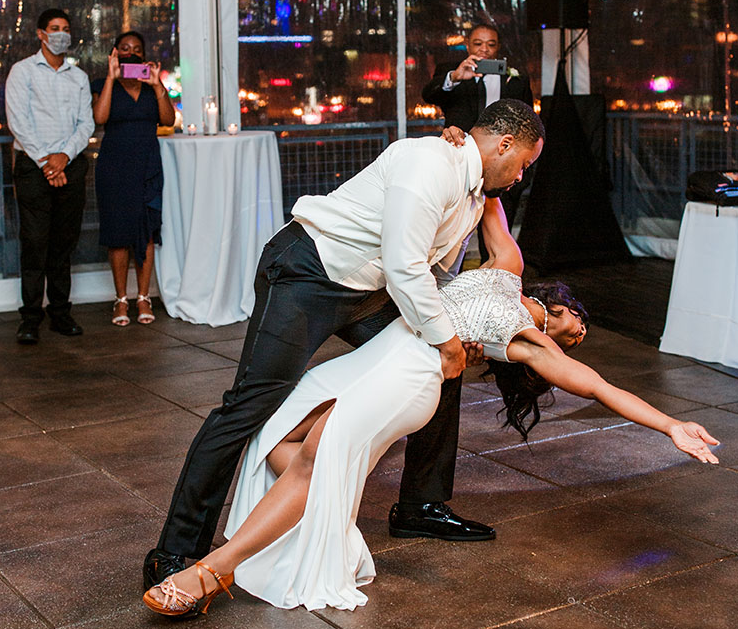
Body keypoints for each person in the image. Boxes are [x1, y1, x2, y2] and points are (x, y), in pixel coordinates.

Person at [143, 253, 719, 617]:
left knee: (319, 459)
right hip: (374, 356)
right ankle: (323, 526)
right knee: (274, 439)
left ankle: (213, 570)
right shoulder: (506, 267)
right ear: (561, 303)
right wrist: (456, 139)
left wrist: (670, 424)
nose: (576, 337)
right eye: (579, 327)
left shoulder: (529, 342)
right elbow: (489, 188)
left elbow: (595, 387)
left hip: (410, 378)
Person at [143, 99, 546, 594]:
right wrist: (444, 338)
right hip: (306, 274)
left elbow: (434, 274)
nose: (521, 175)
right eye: (524, 163)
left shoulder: (472, 195)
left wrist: (454, 339)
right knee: (249, 404)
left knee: (441, 370)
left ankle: (421, 505)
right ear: (504, 144)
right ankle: (176, 549)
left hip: (369, 291)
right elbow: (404, 263)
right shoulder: (430, 162)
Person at [4, 8, 95, 344]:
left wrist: (63, 157)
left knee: (63, 243)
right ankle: (30, 318)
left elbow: (86, 125)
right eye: (54, 28)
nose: (61, 34)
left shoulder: (79, 77)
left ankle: (61, 313)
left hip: (69, 164)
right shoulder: (22, 72)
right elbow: (19, 122)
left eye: (66, 29)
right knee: (35, 242)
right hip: (33, 165)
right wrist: (46, 161)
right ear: (41, 34)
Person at [92, 31, 175, 326]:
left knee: (147, 230)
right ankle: (120, 300)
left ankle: (142, 297)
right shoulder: (103, 85)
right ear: (115, 52)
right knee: (117, 233)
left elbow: (167, 120)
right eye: (124, 48)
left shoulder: (151, 87)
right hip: (114, 167)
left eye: (136, 48)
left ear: (144, 54)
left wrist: (157, 84)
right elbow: (99, 118)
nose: (131, 52)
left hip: (148, 166)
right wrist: (112, 77)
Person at [422, 23, 534, 231]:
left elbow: (527, 119)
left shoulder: (516, 79)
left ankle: (493, 264)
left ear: (498, 47)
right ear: (467, 46)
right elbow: (428, 94)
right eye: (478, 43)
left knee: (497, 229)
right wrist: (455, 77)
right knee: (454, 228)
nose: (484, 49)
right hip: (460, 158)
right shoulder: (452, 71)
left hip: (501, 163)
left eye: (490, 44)